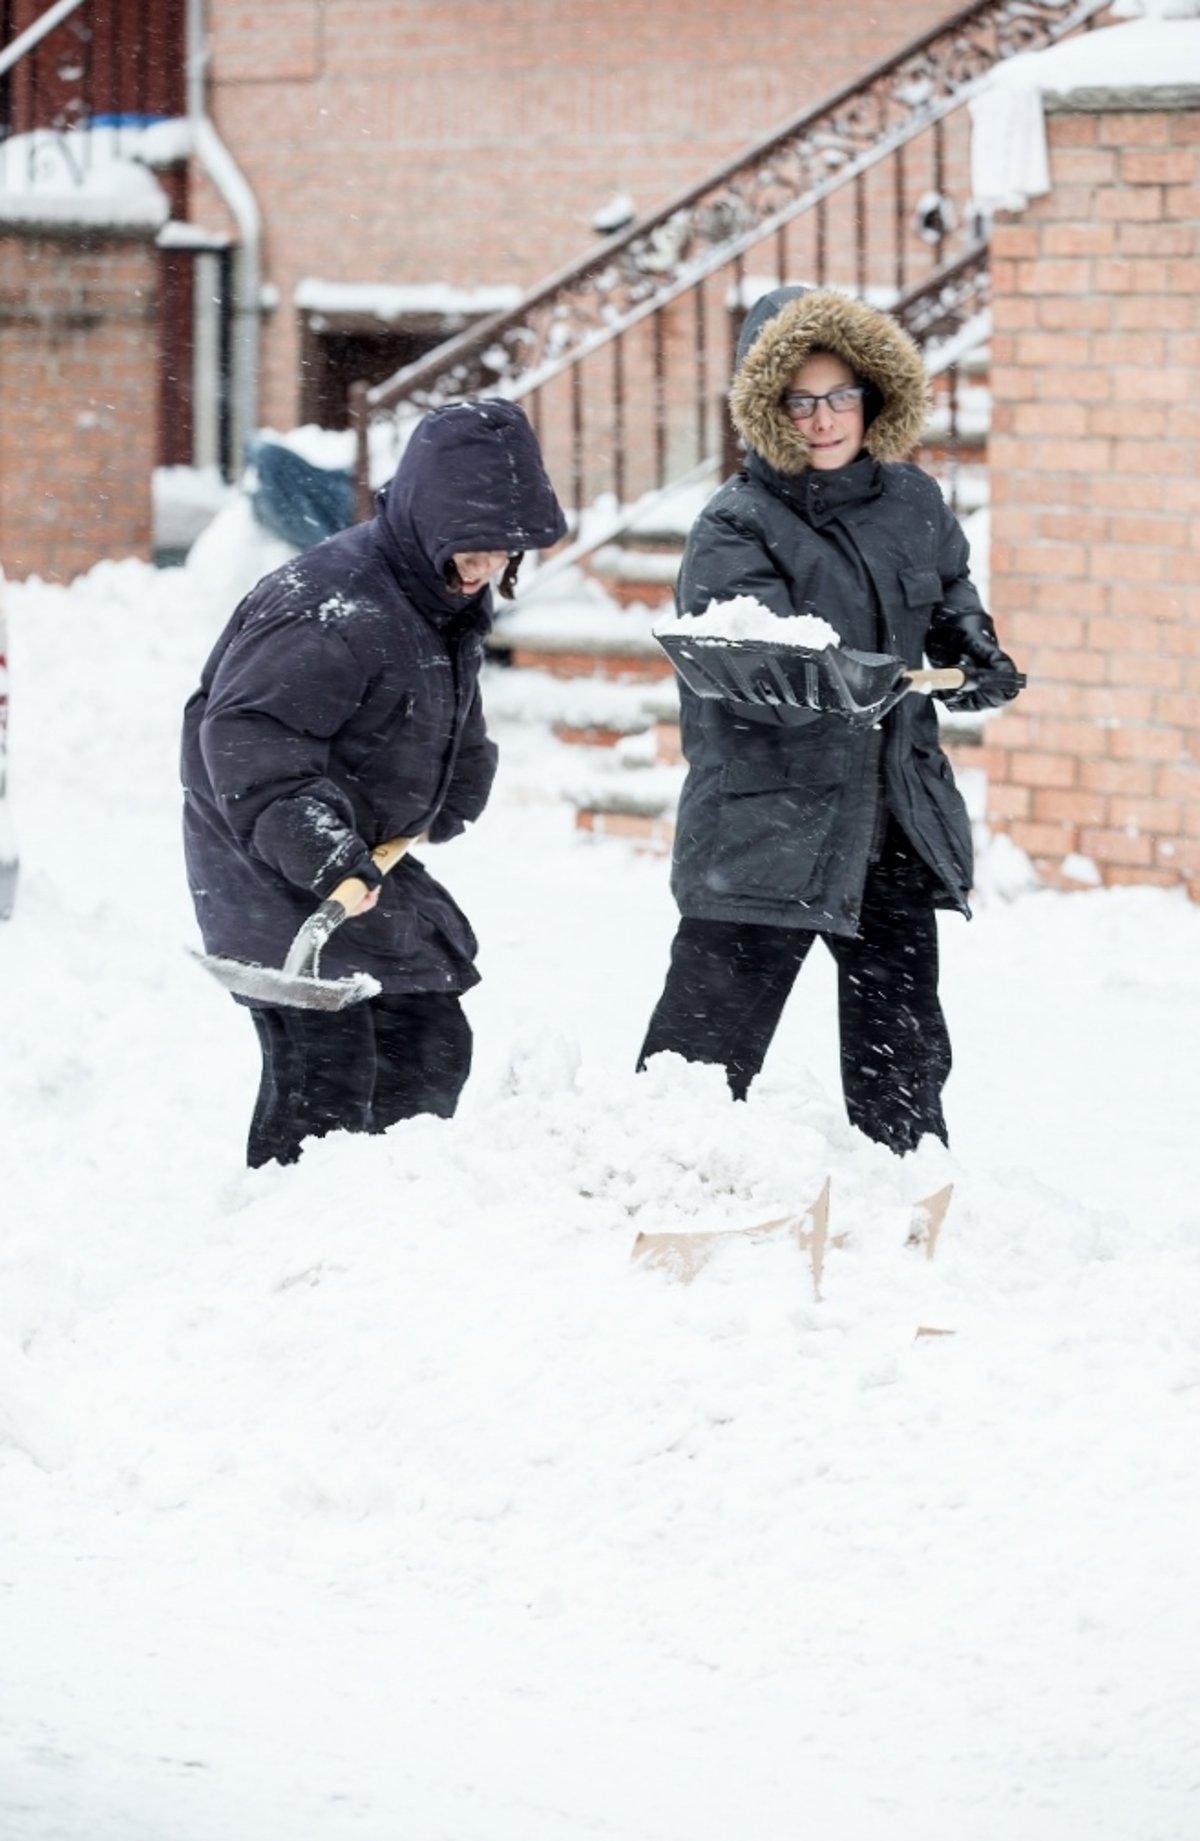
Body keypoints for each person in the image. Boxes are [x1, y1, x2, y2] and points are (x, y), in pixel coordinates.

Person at [638, 287, 1023, 1155]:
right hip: (767, 824)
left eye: (839, 395)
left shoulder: (913, 502)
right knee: (699, 1064)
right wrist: (867, 676)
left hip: (888, 819)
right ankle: (653, 1192)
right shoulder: (737, 523)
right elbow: (756, 666)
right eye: (798, 400)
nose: (822, 419)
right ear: (765, 408)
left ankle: (904, 1202)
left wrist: (971, 645)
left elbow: (947, 592)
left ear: (872, 395)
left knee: (905, 1057)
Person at [182, 399, 567, 1167]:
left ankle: (382, 1219)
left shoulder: (436, 592)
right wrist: (322, 849)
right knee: (328, 1077)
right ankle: (282, 1240)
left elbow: (448, 709)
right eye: (475, 547)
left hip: (357, 857)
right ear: (432, 518)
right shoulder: (332, 605)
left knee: (427, 1040)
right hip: (270, 859)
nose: (487, 566)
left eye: (503, 550)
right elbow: (245, 739)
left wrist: (459, 780)